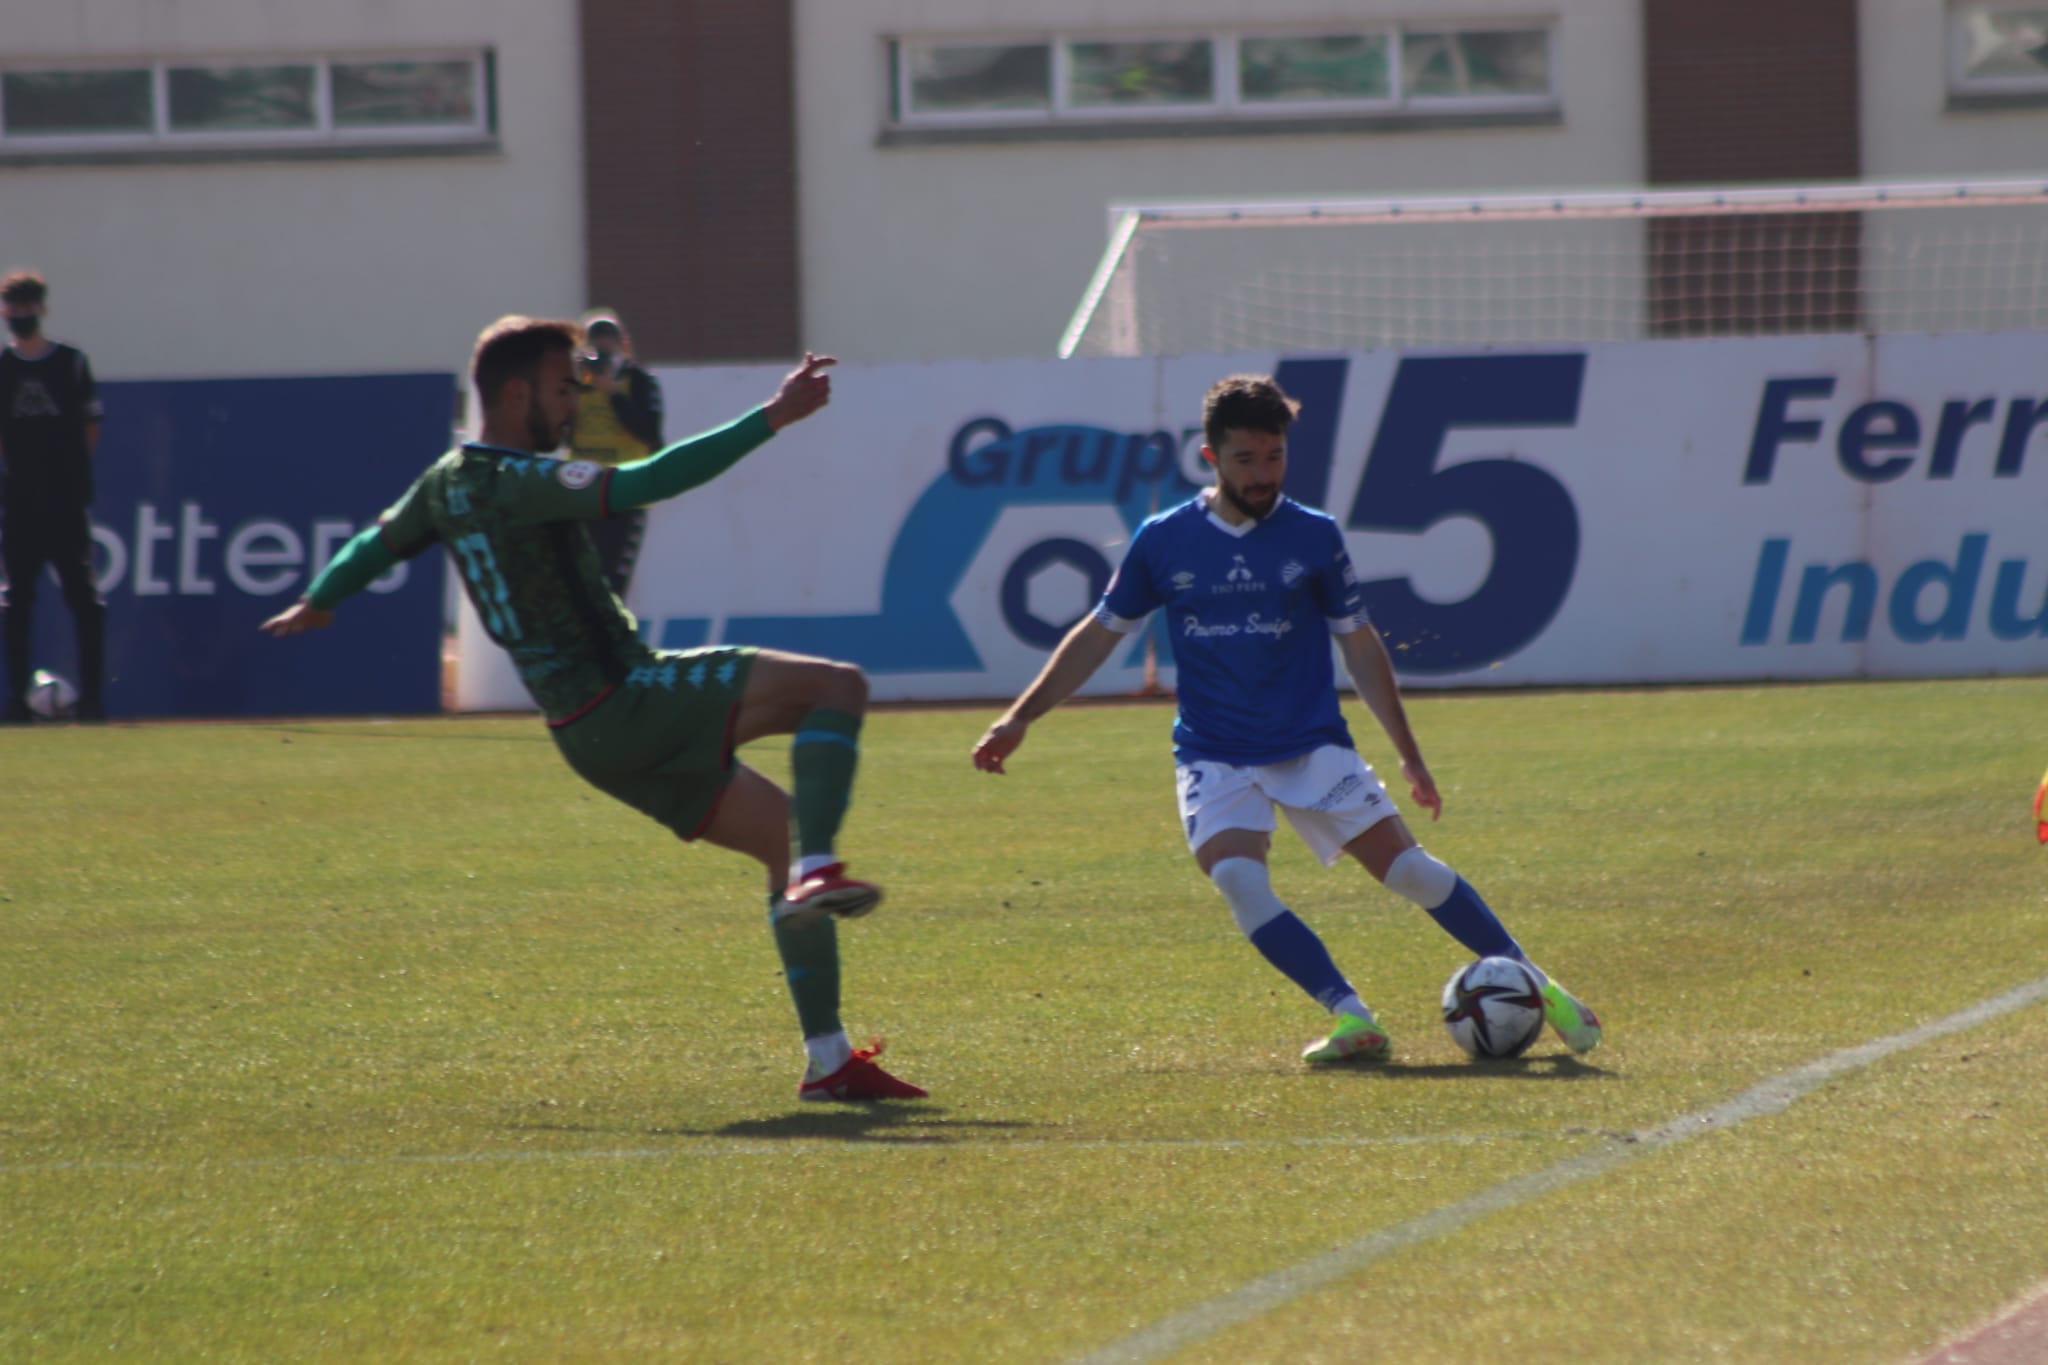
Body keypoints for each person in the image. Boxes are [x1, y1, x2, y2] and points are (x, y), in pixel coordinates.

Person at [261, 315, 924, 1102]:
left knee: (779, 831)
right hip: (625, 698)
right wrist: (773, 415)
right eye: (561, 387)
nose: (576, 401)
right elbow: (648, 481)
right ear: (514, 393)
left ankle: (829, 1058)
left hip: (586, 734)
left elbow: (378, 542)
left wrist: (319, 599)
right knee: (836, 686)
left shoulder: (444, 482)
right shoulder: (517, 479)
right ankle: (821, 871)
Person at [971, 374, 1602, 1064]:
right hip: (1214, 752)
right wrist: (1020, 717)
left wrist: (1409, 753)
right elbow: (1098, 633)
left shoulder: (1314, 535)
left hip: (1310, 745)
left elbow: (1359, 643)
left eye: (1274, 457)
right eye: (1246, 460)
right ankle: (1351, 1016)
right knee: (1240, 879)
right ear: (1210, 458)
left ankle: (1545, 988)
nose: (1263, 473)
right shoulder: (1165, 540)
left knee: (1410, 873)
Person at [0, 270, 106, 724]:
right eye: (12, 308)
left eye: (27, 307)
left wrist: (67, 475)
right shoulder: (3, 368)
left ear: (41, 309)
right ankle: (18, 703)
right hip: (19, 506)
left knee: (84, 600)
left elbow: (90, 426)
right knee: (15, 602)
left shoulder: (71, 363)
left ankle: (93, 703)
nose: (20, 316)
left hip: (65, 504)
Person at [569, 310, 664, 600]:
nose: (602, 354)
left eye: (608, 345)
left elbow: (649, 432)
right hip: (582, 491)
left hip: (626, 491)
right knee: (580, 577)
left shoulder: (638, 381)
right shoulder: (574, 385)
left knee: (613, 581)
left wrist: (611, 391)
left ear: (624, 346)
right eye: (595, 345)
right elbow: (556, 434)